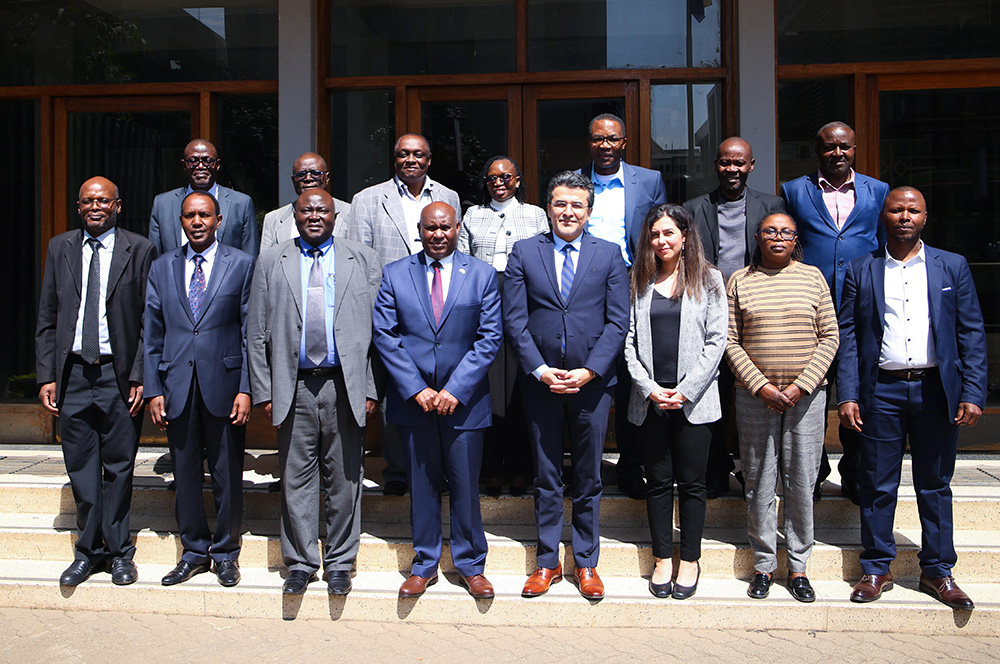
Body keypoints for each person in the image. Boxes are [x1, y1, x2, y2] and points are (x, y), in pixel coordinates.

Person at [839, 187, 986, 610]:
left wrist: (973, 391)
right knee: (878, 484)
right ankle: (876, 567)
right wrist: (847, 394)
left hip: (937, 390)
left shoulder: (951, 266)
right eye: (896, 209)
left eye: (913, 210)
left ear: (925, 216)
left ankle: (937, 571)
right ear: (882, 216)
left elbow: (971, 332)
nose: (905, 216)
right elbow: (848, 337)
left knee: (935, 485)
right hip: (880, 391)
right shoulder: (860, 268)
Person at [247, 189, 381, 596]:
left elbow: (380, 333)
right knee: (296, 477)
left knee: (345, 478)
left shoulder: (363, 258)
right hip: (295, 386)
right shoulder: (272, 260)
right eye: (306, 210)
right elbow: (256, 332)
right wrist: (264, 389)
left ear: (336, 215)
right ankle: (301, 562)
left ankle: (340, 561)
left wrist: (371, 387)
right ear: (295, 215)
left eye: (323, 209)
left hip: (346, 384)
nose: (315, 216)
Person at [504, 171, 629, 600]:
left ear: (589, 212)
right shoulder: (524, 252)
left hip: (591, 385)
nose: (568, 212)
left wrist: (590, 371)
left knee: (589, 477)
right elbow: (514, 321)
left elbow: (618, 322)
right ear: (548, 208)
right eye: (560, 203)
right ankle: (546, 561)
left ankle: (586, 562)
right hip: (540, 384)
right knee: (546, 474)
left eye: (577, 204)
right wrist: (539, 370)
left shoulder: (610, 254)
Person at [373, 202, 502, 599]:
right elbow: (385, 335)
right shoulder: (396, 274)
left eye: (445, 227)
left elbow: (489, 338)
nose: (438, 234)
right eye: (431, 228)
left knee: (465, 486)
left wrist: (453, 390)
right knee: (423, 484)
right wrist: (418, 389)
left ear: (458, 228)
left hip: (463, 403)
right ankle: (425, 562)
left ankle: (470, 565)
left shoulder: (480, 275)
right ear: (420, 230)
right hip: (414, 403)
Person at [35, 176, 156, 586]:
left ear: (117, 206)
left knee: (120, 467)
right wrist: (47, 376)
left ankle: (121, 552)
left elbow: (148, 322)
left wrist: (141, 373)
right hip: (72, 375)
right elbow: (48, 316)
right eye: (88, 201)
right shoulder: (60, 247)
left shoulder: (139, 249)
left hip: (117, 376)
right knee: (81, 467)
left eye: (103, 201)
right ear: (79, 205)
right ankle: (88, 552)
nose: (96, 207)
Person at [339, 133, 461, 497]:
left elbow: (458, 247)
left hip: (439, 308)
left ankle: (437, 467)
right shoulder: (368, 199)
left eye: (418, 154)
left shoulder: (448, 197)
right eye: (404, 154)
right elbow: (358, 257)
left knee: (439, 386)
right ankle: (396, 468)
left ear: (429, 159)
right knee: (396, 390)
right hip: (389, 308)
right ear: (394, 159)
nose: (411, 159)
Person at [725, 213, 838, 603]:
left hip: (806, 399)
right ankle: (763, 565)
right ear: (757, 237)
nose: (778, 237)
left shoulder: (813, 277)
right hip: (755, 398)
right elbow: (730, 340)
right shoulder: (740, 280)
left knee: (801, 482)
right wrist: (762, 387)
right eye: (770, 231)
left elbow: (830, 335)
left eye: (786, 232)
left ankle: (799, 567)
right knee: (758, 482)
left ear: (795, 239)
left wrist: (802, 385)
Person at [144, 191, 254, 588]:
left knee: (227, 473)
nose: (196, 221)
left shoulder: (241, 265)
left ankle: (226, 553)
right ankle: (193, 551)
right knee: (186, 474)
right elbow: (152, 334)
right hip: (176, 386)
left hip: (224, 386)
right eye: (189, 215)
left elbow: (249, 333)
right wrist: (154, 388)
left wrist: (246, 388)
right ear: (181, 220)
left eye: (204, 215)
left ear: (219, 220)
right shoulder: (161, 267)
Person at [781, 122, 890, 503]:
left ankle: (856, 473)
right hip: (810, 308)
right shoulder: (794, 190)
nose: (837, 154)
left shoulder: (878, 191)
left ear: (855, 149)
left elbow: (883, 245)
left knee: (857, 390)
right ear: (818, 150)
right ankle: (813, 474)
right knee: (811, 395)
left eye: (844, 147)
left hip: (862, 306)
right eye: (829, 147)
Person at [623, 204, 726, 600]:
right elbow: (628, 342)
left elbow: (718, 341)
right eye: (655, 234)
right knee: (659, 482)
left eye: (669, 233)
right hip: (649, 400)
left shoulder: (710, 280)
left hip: (694, 401)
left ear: (685, 236)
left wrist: (685, 390)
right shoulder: (639, 279)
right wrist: (649, 387)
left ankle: (690, 559)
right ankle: (662, 557)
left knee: (693, 484)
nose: (661, 241)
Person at [684, 137, 785, 498]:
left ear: (751, 165)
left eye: (739, 163)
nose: (732, 169)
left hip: (755, 315)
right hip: (709, 315)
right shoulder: (695, 208)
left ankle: (753, 474)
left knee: (754, 395)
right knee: (714, 395)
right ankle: (714, 470)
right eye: (726, 162)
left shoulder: (771, 205)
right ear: (716, 164)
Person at [578, 113, 667, 500]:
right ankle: (587, 469)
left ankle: (632, 468)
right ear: (590, 142)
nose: (606, 146)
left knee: (633, 377)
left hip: (634, 284)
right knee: (588, 375)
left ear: (624, 142)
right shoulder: (575, 181)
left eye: (612, 139)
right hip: (584, 290)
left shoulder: (648, 181)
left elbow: (661, 228)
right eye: (598, 139)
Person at [458, 155, 548, 497]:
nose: (499, 182)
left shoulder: (536, 215)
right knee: (491, 389)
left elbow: (541, 260)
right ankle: (490, 470)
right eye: (492, 177)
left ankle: (520, 470)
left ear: (518, 180)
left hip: (523, 303)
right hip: (483, 305)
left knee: (520, 390)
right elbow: (464, 263)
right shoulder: (473, 215)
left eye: (506, 176)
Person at [149, 138, 259, 256]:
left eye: (208, 161)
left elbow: (250, 257)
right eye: (193, 160)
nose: (200, 166)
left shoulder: (241, 203)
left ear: (217, 165)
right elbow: (155, 259)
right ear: (184, 165)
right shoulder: (162, 204)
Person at [260, 152, 351, 252]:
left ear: (327, 178)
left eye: (315, 173)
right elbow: (266, 264)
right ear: (293, 179)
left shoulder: (350, 213)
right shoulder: (273, 219)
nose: (308, 179)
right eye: (301, 175)